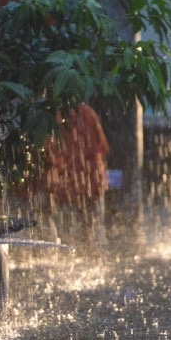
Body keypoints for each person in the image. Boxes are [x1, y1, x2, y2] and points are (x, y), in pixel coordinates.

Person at [30, 102, 111, 248]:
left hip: (64, 186)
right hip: (90, 183)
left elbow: (46, 153)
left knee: (68, 235)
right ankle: (95, 259)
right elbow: (102, 147)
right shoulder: (86, 112)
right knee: (94, 231)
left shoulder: (49, 116)